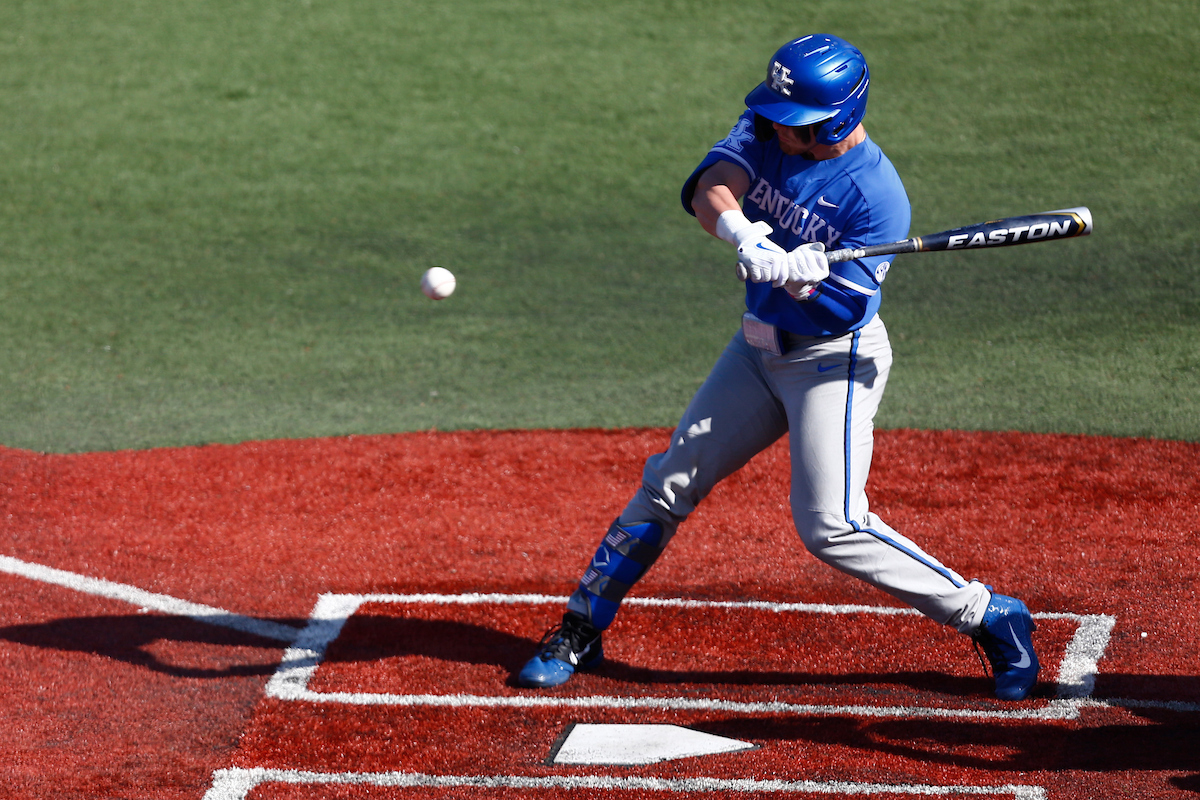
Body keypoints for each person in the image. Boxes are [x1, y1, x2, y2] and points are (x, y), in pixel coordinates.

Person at [517, 34, 1039, 701]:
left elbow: (843, 309)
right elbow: (713, 188)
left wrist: (804, 280)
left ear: (839, 119)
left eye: (797, 124)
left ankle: (988, 614)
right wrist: (745, 235)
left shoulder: (877, 196)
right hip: (756, 351)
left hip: (832, 361)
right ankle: (579, 629)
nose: (778, 129)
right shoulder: (769, 123)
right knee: (668, 482)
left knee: (832, 526)